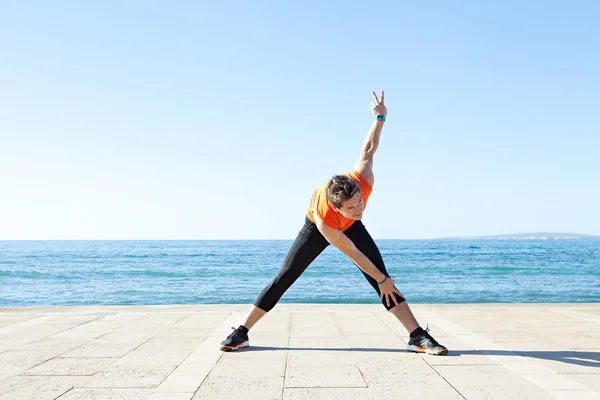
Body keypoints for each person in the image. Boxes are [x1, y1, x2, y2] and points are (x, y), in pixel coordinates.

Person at [220, 90, 448, 355]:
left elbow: (368, 149)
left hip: (349, 229)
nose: (359, 209)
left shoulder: (361, 179)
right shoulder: (325, 220)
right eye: (351, 208)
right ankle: (242, 332)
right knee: (285, 276)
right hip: (315, 228)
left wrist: (380, 117)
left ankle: (417, 336)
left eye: (359, 203)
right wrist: (381, 278)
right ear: (337, 206)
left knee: (383, 282)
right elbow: (352, 253)